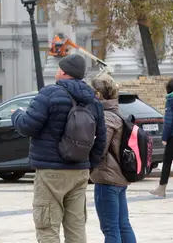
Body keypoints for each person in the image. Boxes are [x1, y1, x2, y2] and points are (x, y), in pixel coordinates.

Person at [11, 53, 106, 243]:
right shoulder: (93, 101)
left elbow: (28, 126)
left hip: (51, 172)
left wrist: (16, 115)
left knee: (47, 227)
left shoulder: (49, 94)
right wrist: (88, 165)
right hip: (79, 171)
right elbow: (101, 140)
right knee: (76, 227)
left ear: (63, 71)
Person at [89, 73, 137, 243]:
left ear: (98, 95)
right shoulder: (117, 112)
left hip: (107, 177)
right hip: (119, 177)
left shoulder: (107, 116)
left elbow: (100, 148)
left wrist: (88, 165)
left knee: (110, 229)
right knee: (123, 225)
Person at [149, 77, 173, 198]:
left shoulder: (171, 99)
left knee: (167, 162)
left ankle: (161, 188)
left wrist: (164, 137)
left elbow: (169, 121)